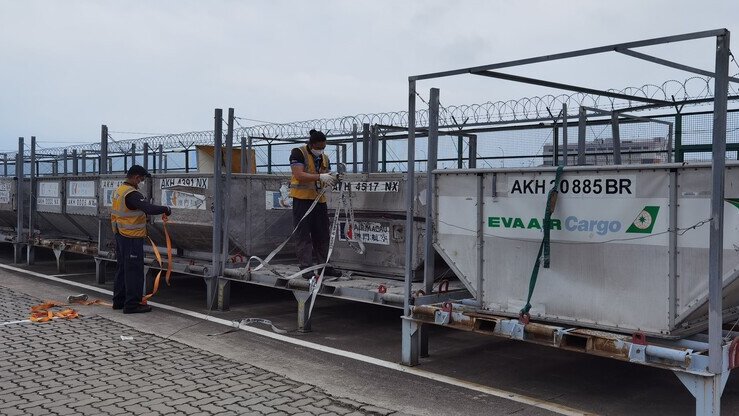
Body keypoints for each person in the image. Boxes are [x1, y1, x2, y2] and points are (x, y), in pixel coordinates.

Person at [111, 165, 172, 314]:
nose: (141, 183)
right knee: (134, 272)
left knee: (122, 269)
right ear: (136, 177)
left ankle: (119, 302)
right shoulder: (132, 194)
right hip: (131, 238)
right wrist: (166, 209)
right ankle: (132, 305)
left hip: (120, 235)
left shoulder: (119, 190)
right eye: (141, 180)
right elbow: (148, 208)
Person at [289, 129, 342, 279]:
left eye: (323, 147)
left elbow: (326, 175)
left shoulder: (324, 158)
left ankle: (325, 266)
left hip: (319, 200)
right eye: (318, 148)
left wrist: (332, 179)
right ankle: (306, 267)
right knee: (303, 234)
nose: (321, 150)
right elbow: (298, 175)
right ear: (311, 145)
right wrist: (320, 177)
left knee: (323, 234)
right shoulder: (298, 153)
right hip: (302, 200)